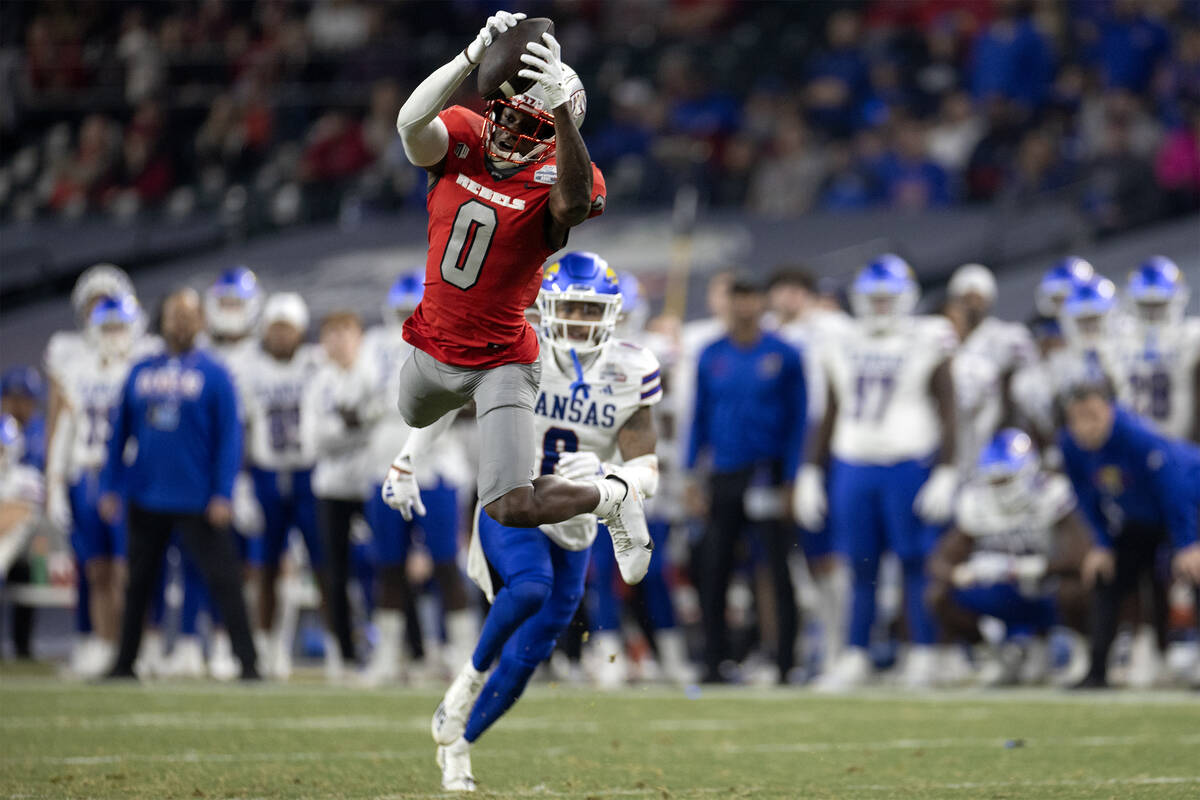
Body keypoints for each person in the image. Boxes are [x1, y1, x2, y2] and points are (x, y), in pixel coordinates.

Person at [380, 11, 652, 580]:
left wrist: (559, 112)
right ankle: (410, 454)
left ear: (554, 133)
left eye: (530, 127)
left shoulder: (564, 175)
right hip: (433, 343)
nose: (506, 133)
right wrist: (469, 57)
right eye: (505, 117)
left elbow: (575, 204)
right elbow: (409, 125)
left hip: (503, 359)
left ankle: (610, 497)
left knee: (510, 506)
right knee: (409, 408)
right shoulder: (461, 137)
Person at [429, 252, 662, 791]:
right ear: (547, 308)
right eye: (571, 308)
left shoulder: (631, 368)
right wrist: (409, 459)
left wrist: (607, 473)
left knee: (533, 651)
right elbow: (448, 399)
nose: (580, 320)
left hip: (578, 519)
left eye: (590, 309)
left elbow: (646, 469)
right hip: (515, 499)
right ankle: (465, 681)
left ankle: (460, 748)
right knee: (531, 587)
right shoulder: (519, 351)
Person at [795, 254, 959, 690]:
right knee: (859, 566)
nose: (882, 307)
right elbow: (829, 410)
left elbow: (949, 409)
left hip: (909, 460)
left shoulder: (929, 336)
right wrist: (811, 471)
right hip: (853, 463)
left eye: (890, 299)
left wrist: (946, 470)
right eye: (875, 299)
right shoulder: (839, 339)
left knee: (914, 562)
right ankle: (856, 654)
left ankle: (922, 652)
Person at [101, 288, 258, 680]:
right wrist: (110, 485)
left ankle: (249, 664)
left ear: (201, 322)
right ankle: (124, 663)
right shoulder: (140, 370)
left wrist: (223, 492)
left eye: (189, 315)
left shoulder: (215, 373)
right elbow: (118, 433)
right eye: (175, 315)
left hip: (199, 497)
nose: (181, 322)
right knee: (138, 584)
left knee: (224, 580)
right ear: (163, 320)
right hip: (146, 493)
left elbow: (230, 438)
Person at [687, 275, 807, 684]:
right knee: (714, 567)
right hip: (724, 474)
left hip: (767, 473)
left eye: (751, 298)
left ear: (761, 303)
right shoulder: (710, 354)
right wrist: (691, 475)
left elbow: (797, 423)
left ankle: (786, 661)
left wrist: (792, 479)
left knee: (777, 568)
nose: (744, 306)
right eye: (738, 298)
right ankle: (714, 660)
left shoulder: (785, 354)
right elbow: (698, 419)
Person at [361, 272, 476, 685]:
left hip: (437, 467)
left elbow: (468, 400)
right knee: (388, 566)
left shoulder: (452, 338)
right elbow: (360, 400)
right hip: (385, 466)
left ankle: (464, 655)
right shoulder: (373, 345)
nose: (409, 317)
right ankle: (389, 655)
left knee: (446, 564)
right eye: (402, 311)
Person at [1058, 378, 1200, 688]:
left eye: (1092, 416)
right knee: (1105, 575)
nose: (1085, 427)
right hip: (1141, 517)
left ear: (1111, 411)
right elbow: (1084, 495)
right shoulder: (1069, 444)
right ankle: (1097, 672)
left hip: (1188, 505)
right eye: (1077, 418)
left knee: (1196, 570)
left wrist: (1189, 542)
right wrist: (1102, 543)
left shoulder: (1138, 437)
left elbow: (1174, 490)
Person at [926, 429, 1091, 686]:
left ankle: (1082, 653)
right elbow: (939, 560)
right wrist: (961, 573)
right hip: (1008, 596)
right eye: (993, 479)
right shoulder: (976, 502)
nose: (998, 486)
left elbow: (1080, 554)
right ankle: (995, 658)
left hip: (1046, 591)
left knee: (1078, 587)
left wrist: (1026, 567)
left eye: (1005, 478)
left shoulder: (1052, 493)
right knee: (940, 595)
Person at [44, 294, 148, 677]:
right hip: (85, 473)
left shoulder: (139, 370)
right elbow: (65, 430)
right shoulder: (77, 370)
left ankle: (133, 647)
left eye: (119, 327)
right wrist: (54, 483)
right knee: (96, 570)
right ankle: (105, 645)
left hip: (122, 476)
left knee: (128, 570)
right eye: (106, 328)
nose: (113, 335)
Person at [230, 292, 323, 680]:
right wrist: (242, 483)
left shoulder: (316, 364)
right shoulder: (248, 369)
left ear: (300, 330)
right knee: (265, 567)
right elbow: (242, 430)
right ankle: (267, 650)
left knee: (325, 566)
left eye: (287, 327)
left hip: (310, 474)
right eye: (275, 327)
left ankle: (340, 648)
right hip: (267, 474)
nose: (281, 335)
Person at [766, 266, 854, 677]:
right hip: (782, 451)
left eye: (795, 291)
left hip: (827, 449)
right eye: (782, 290)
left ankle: (841, 648)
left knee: (829, 556)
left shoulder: (830, 328)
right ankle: (813, 647)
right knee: (794, 560)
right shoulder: (769, 335)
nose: (788, 299)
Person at [302, 310, 384, 679]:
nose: (338, 341)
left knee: (388, 565)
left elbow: (384, 426)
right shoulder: (318, 382)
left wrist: (351, 427)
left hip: (371, 482)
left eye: (345, 332)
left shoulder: (375, 374)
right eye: (331, 334)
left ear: (359, 336)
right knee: (333, 572)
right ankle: (342, 651)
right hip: (332, 487)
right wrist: (352, 427)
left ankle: (400, 648)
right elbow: (312, 442)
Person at [944, 263, 1036, 474]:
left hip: (994, 425)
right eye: (966, 298)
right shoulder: (944, 339)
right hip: (958, 431)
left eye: (977, 298)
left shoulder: (1006, 335)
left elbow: (1025, 382)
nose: (972, 306)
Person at [1113, 257, 1200, 443]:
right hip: (1133, 444)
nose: (1152, 312)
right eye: (1147, 306)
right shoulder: (1117, 337)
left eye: (1158, 305)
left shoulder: (1191, 335)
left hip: (1182, 440)